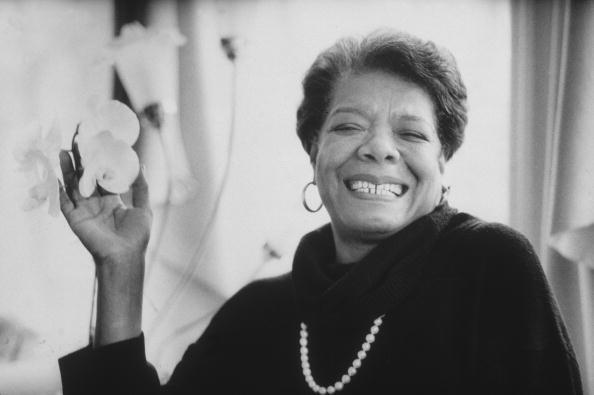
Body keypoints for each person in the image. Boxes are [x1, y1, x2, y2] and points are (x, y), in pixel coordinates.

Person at [57, 31, 583, 395]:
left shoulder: (490, 267)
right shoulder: (257, 314)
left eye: (412, 133)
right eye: (349, 126)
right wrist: (120, 271)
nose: (379, 148)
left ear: (443, 162)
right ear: (314, 153)